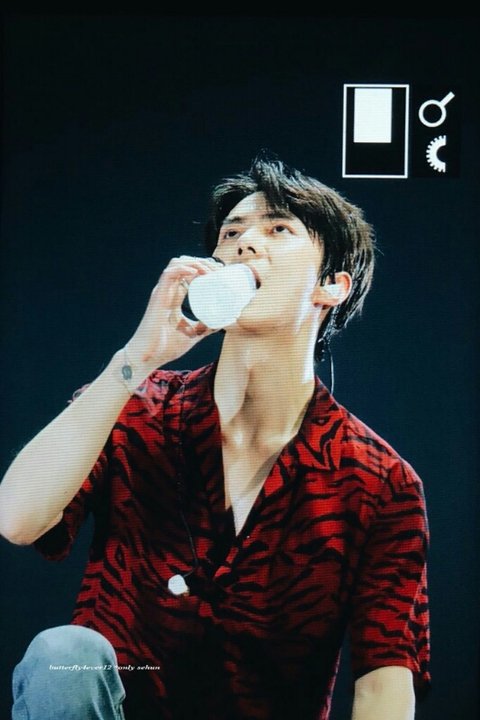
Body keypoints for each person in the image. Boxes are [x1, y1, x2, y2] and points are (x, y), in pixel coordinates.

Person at [0, 155, 430, 720]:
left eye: (278, 229)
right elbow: (16, 518)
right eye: (231, 233)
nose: (245, 243)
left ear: (331, 286)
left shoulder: (381, 480)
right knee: (63, 656)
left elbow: (384, 681)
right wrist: (136, 360)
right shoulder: (135, 407)